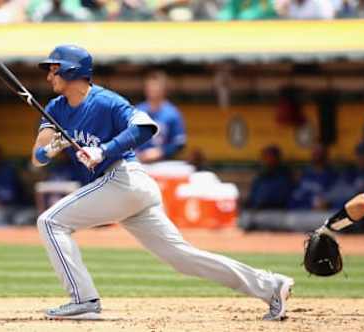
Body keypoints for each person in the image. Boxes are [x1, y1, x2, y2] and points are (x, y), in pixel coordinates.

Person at [32, 44, 294, 321]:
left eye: (54, 70)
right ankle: (271, 286)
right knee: (183, 258)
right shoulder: (56, 108)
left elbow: (146, 127)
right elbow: (38, 158)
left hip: (125, 179)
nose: (49, 76)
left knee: (50, 222)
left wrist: (104, 150)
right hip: (126, 190)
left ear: (73, 71)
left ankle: (83, 300)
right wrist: (52, 147)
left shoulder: (106, 101)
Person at [135, 70, 186, 163]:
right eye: (150, 86)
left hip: (163, 164)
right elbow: (127, 138)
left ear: (164, 89)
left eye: (156, 87)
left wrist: (161, 151)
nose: (153, 90)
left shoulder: (172, 113)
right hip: (138, 163)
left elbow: (179, 143)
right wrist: (136, 154)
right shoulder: (137, 111)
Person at [246, 145, 293, 209]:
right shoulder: (261, 177)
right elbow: (252, 197)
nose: (264, 160)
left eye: (268, 157)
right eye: (263, 157)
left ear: (276, 158)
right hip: (257, 212)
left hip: (276, 212)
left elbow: (282, 198)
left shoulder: (284, 176)